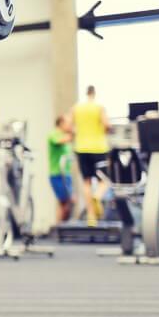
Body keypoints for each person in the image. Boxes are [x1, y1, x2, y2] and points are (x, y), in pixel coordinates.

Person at [68, 85, 111, 226]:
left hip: (81, 148)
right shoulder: (99, 107)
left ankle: (91, 217)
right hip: (98, 148)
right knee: (104, 181)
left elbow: (69, 126)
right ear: (94, 93)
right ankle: (97, 196)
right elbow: (106, 125)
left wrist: (78, 133)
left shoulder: (76, 108)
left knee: (86, 182)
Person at [47, 115, 75, 224]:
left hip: (66, 174)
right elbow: (60, 141)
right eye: (68, 123)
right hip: (57, 174)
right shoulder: (54, 134)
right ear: (61, 123)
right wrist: (74, 132)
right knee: (65, 201)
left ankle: (62, 225)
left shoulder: (65, 136)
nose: (70, 126)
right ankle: (60, 226)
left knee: (66, 202)